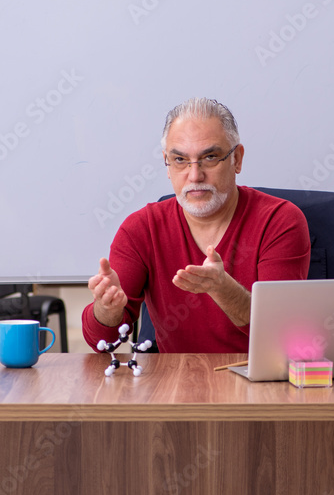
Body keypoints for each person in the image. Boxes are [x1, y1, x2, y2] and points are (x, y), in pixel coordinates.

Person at [81, 98, 311, 353]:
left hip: (260, 383)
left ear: (237, 159)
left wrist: (222, 289)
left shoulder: (279, 221)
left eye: (210, 157)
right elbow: (102, 343)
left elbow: (279, 334)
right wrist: (106, 309)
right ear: (166, 164)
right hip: (176, 384)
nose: (194, 175)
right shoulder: (141, 228)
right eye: (180, 160)